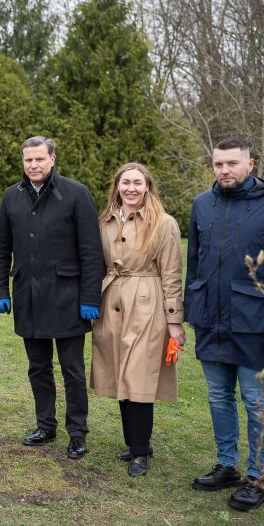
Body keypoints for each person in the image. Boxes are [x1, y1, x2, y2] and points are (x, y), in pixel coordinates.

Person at [185, 138, 264, 511]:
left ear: (250, 164)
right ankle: (227, 466)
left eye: (232, 163)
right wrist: (193, 307)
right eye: (218, 164)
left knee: (257, 403)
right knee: (218, 397)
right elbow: (194, 262)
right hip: (211, 321)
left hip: (255, 324)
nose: (224, 170)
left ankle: (258, 477)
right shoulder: (202, 204)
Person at [0, 136, 104, 459]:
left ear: (52, 159)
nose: (34, 165)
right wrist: (0, 289)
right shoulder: (11, 197)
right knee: (38, 366)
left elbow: (91, 251)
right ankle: (45, 425)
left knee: (72, 369)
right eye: (28, 160)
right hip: (28, 295)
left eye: (39, 159)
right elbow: (1, 250)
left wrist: (90, 297)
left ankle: (77, 432)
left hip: (68, 297)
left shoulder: (75, 194)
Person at [89, 163, 184, 476]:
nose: (131, 188)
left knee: (139, 376)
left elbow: (171, 273)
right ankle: (135, 443)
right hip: (111, 299)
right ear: (117, 186)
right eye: (125, 182)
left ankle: (140, 452)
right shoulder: (104, 221)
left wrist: (174, 320)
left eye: (137, 183)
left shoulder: (164, 223)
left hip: (147, 303)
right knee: (119, 373)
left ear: (147, 187)